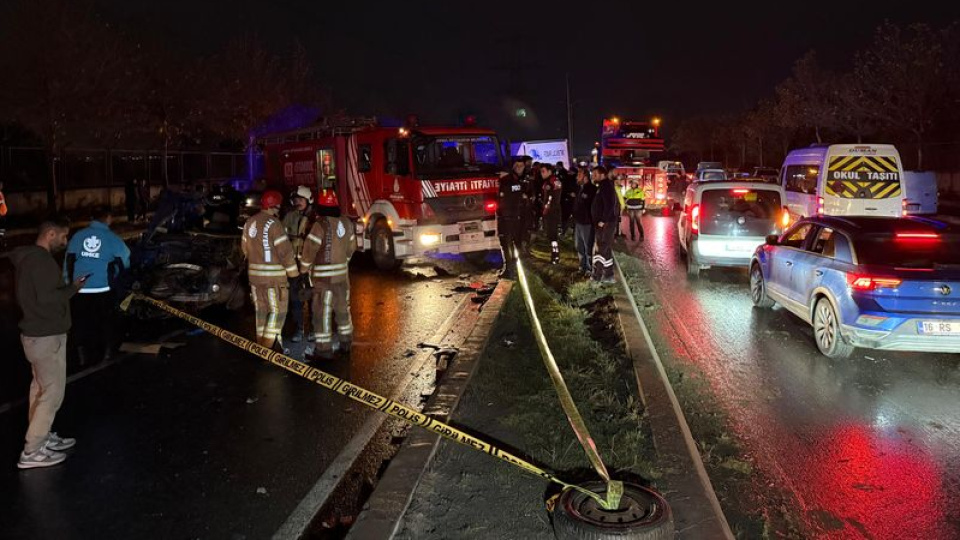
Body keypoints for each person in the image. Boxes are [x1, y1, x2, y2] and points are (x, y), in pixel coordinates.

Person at [8, 218, 85, 468]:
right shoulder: (40, 261)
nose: (65, 241)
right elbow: (47, 298)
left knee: (40, 389)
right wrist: (72, 289)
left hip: (35, 335)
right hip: (46, 335)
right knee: (52, 392)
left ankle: (42, 436)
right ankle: (32, 450)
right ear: (50, 234)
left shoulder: (28, 259)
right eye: (63, 236)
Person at [64, 207, 131, 366]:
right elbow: (124, 261)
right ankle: (105, 353)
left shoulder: (78, 236)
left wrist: (68, 283)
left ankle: (82, 355)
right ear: (108, 218)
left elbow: (68, 261)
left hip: (78, 288)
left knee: (81, 322)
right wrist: (117, 279)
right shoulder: (112, 238)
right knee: (104, 322)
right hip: (102, 289)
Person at [300, 189, 356, 361]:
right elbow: (351, 248)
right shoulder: (347, 222)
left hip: (323, 280)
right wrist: (343, 263)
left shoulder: (320, 225)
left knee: (322, 313)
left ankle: (324, 349)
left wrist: (303, 270)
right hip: (342, 277)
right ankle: (346, 342)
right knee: (343, 310)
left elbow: (309, 249)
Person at [241, 190, 299, 350]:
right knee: (277, 311)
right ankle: (267, 347)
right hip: (274, 280)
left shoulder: (249, 222)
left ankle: (266, 345)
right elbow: (286, 253)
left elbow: (244, 249)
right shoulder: (274, 224)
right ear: (275, 206)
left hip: (254, 279)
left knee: (261, 311)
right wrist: (294, 275)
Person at [282, 186, 315, 343]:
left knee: (313, 298)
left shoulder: (315, 219)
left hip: (310, 266)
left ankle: (314, 329)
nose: (297, 202)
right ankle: (299, 329)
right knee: (295, 298)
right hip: (293, 264)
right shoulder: (290, 217)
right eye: (295, 199)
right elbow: (281, 236)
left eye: (301, 199)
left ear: (308, 201)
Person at [496, 157, 530, 279]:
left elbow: (528, 195)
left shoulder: (524, 180)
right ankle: (510, 268)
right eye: (517, 166)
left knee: (516, 243)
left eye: (522, 166)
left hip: (519, 217)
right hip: (509, 217)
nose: (520, 168)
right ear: (513, 168)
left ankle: (514, 268)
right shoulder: (509, 181)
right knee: (507, 243)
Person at [591, 166, 618, 284]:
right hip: (603, 223)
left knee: (600, 249)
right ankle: (609, 275)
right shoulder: (602, 186)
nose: (593, 176)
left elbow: (610, 205)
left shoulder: (606, 186)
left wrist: (603, 220)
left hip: (605, 224)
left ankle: (596, 277)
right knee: (605, 249)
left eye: (595, 174)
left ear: (602, 175)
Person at [572, 167, 597, 276]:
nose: (577, 177)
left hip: (587, 223)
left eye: (579, 175)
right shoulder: (580, 188)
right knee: (579, 246)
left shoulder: (592, 189)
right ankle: (582, 267)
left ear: (585, 177)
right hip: (579, 222)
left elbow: (593, 207)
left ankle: (589, 268)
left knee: (588, 246)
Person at [540, 164, 563, 264]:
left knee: (553, 235)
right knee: (551, 235)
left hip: (552, 212)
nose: (542, 174)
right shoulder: (548, 181)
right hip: (551, 211)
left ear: (549, 171)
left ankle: (555, 255)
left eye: (543, 171)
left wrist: (546, 208)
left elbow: (552, 198)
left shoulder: (552, 181)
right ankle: (554, 254)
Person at [559, 164, 578, 236]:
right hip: (567, 201)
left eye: (571, 171)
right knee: (565, 217)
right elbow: (563, 190)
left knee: (570, 217)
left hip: (571, 201)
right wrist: (569, 194)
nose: (569, 172)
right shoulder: (566, 179)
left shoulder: (575, 180)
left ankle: (570, 231)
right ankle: (564, 231)